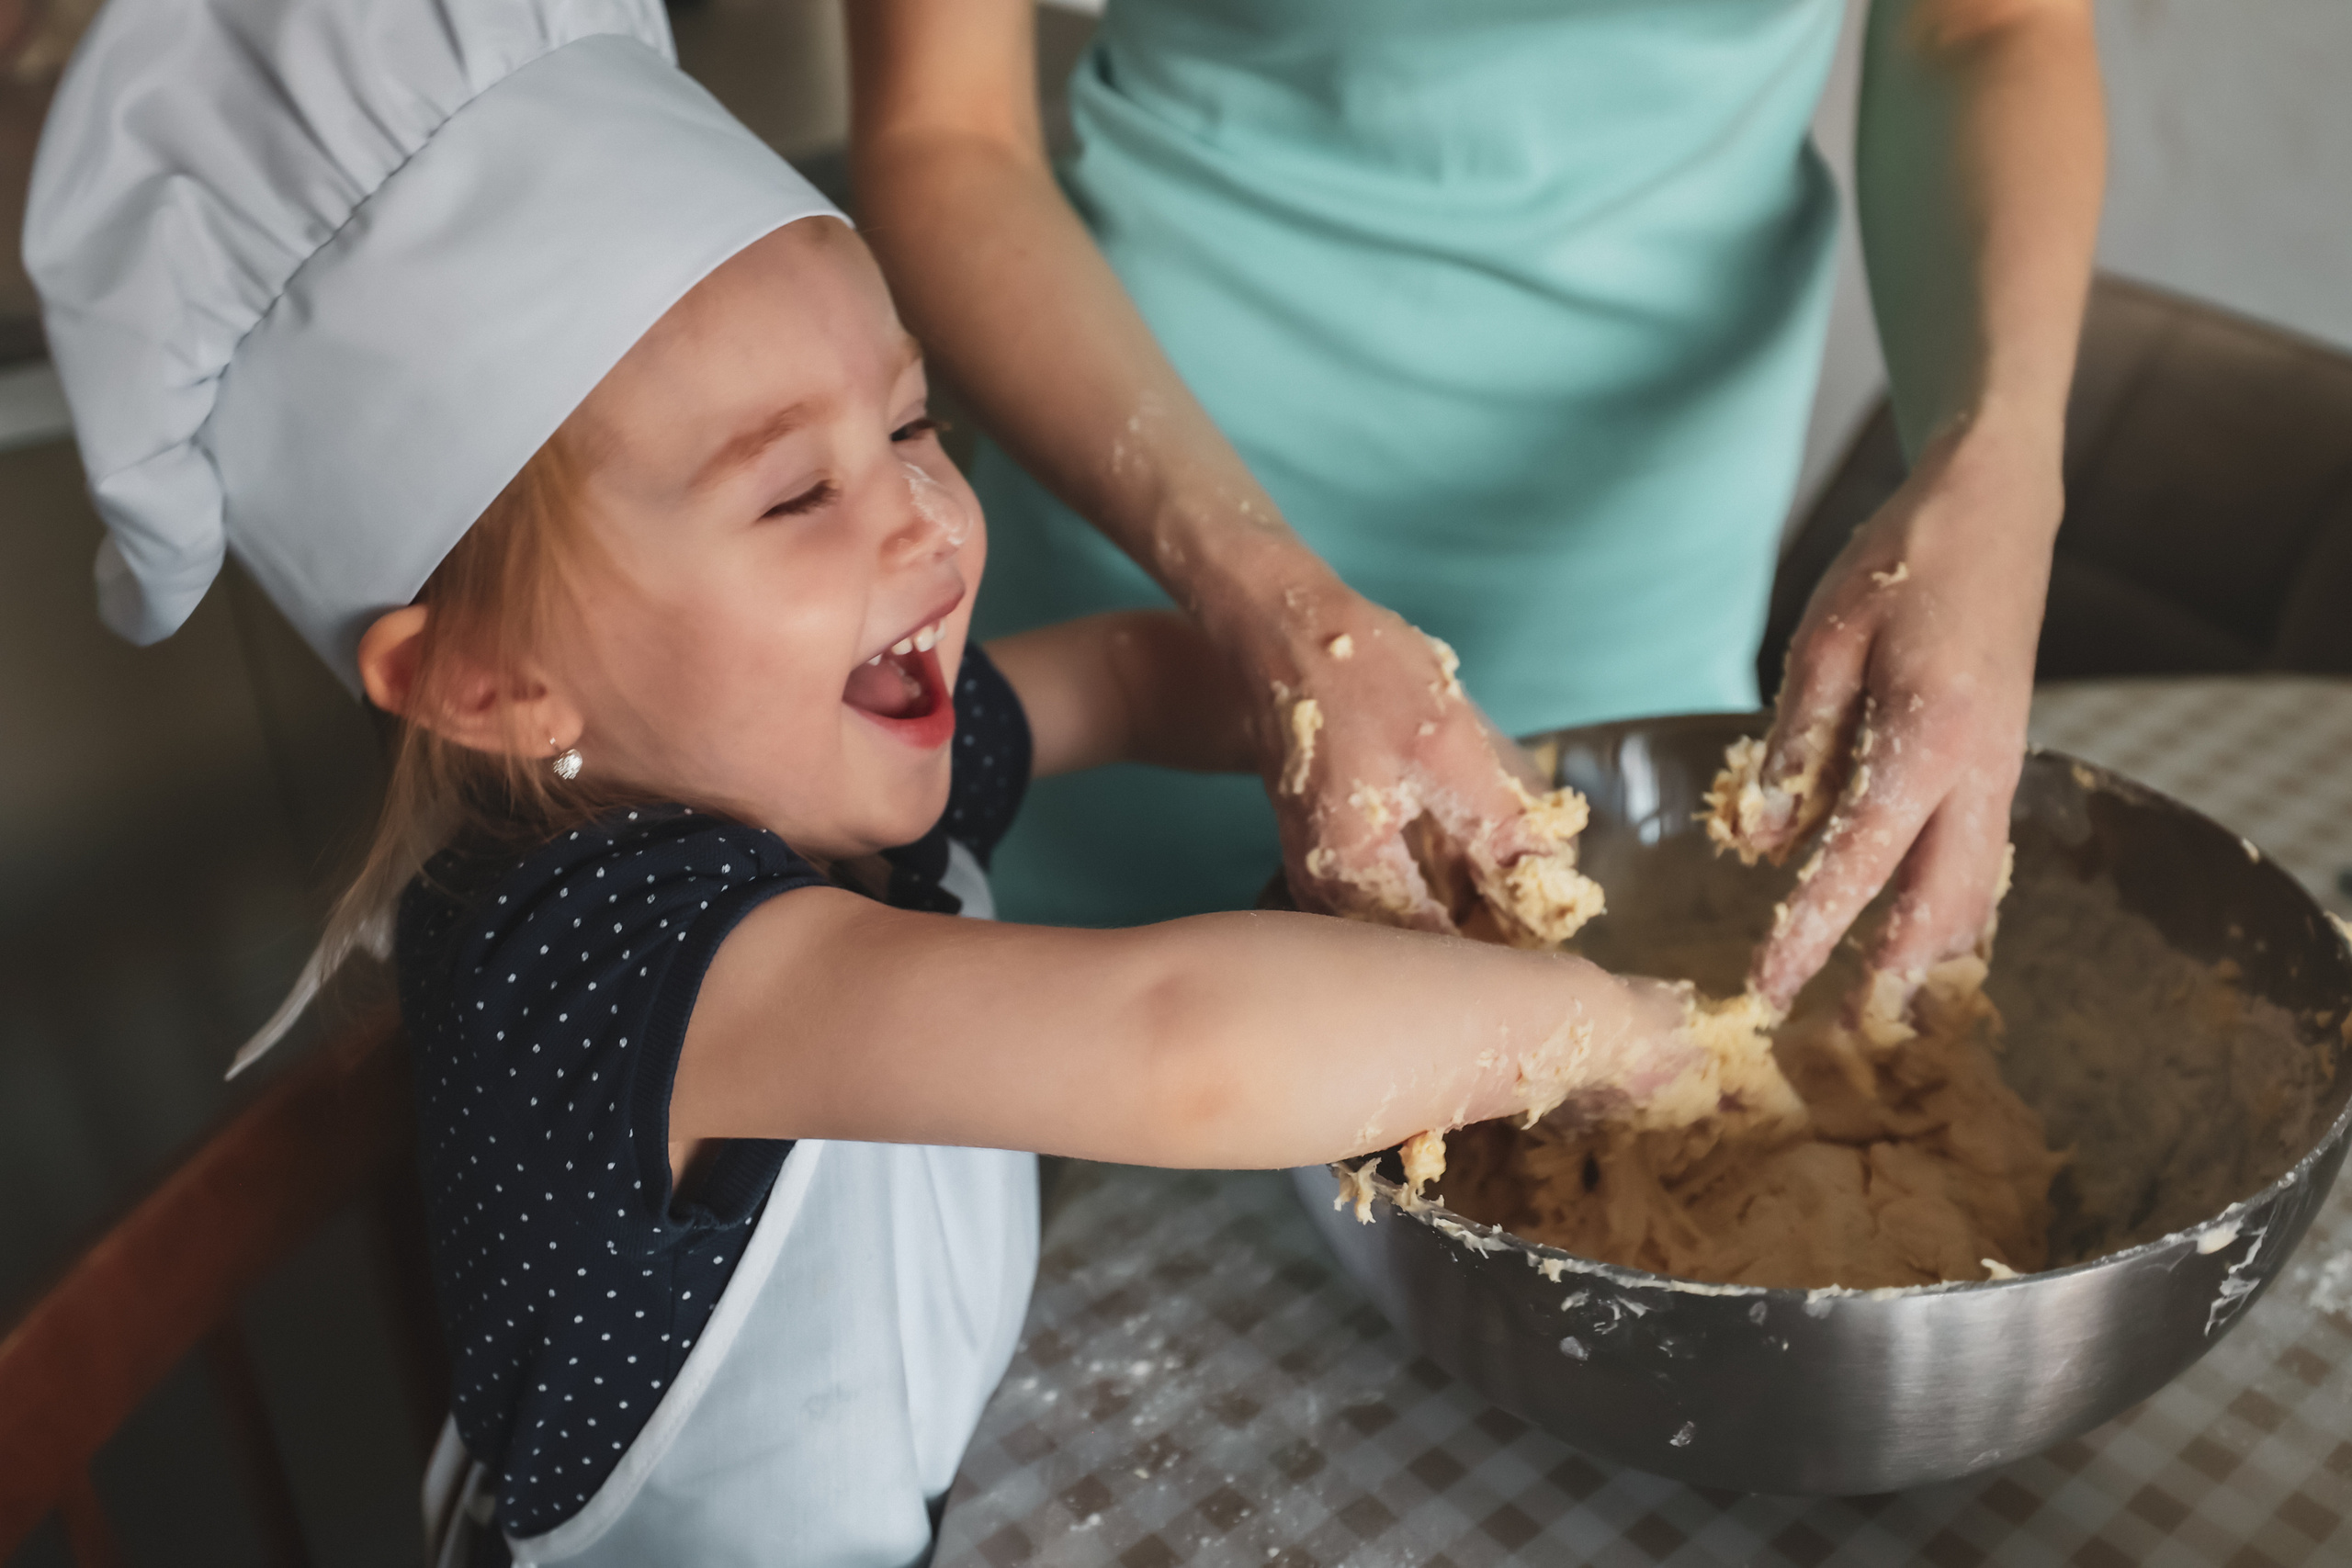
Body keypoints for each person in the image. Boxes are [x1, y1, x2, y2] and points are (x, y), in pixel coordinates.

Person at [28, 0, 1720, 1560]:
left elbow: (1128, 678)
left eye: (912, 427)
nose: (925, 518)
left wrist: (1350, 711)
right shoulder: (608, 960)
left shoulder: (792, 758)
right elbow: (1179, 1044)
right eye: (793, 497)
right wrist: (1628, 1033)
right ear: (487, 680)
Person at [849, 0, 2106, 1014]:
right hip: (1145, 529)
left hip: (1632, 563)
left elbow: (1985, 27)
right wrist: (1256, 586)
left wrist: (1999, 461)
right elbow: (944, 133)